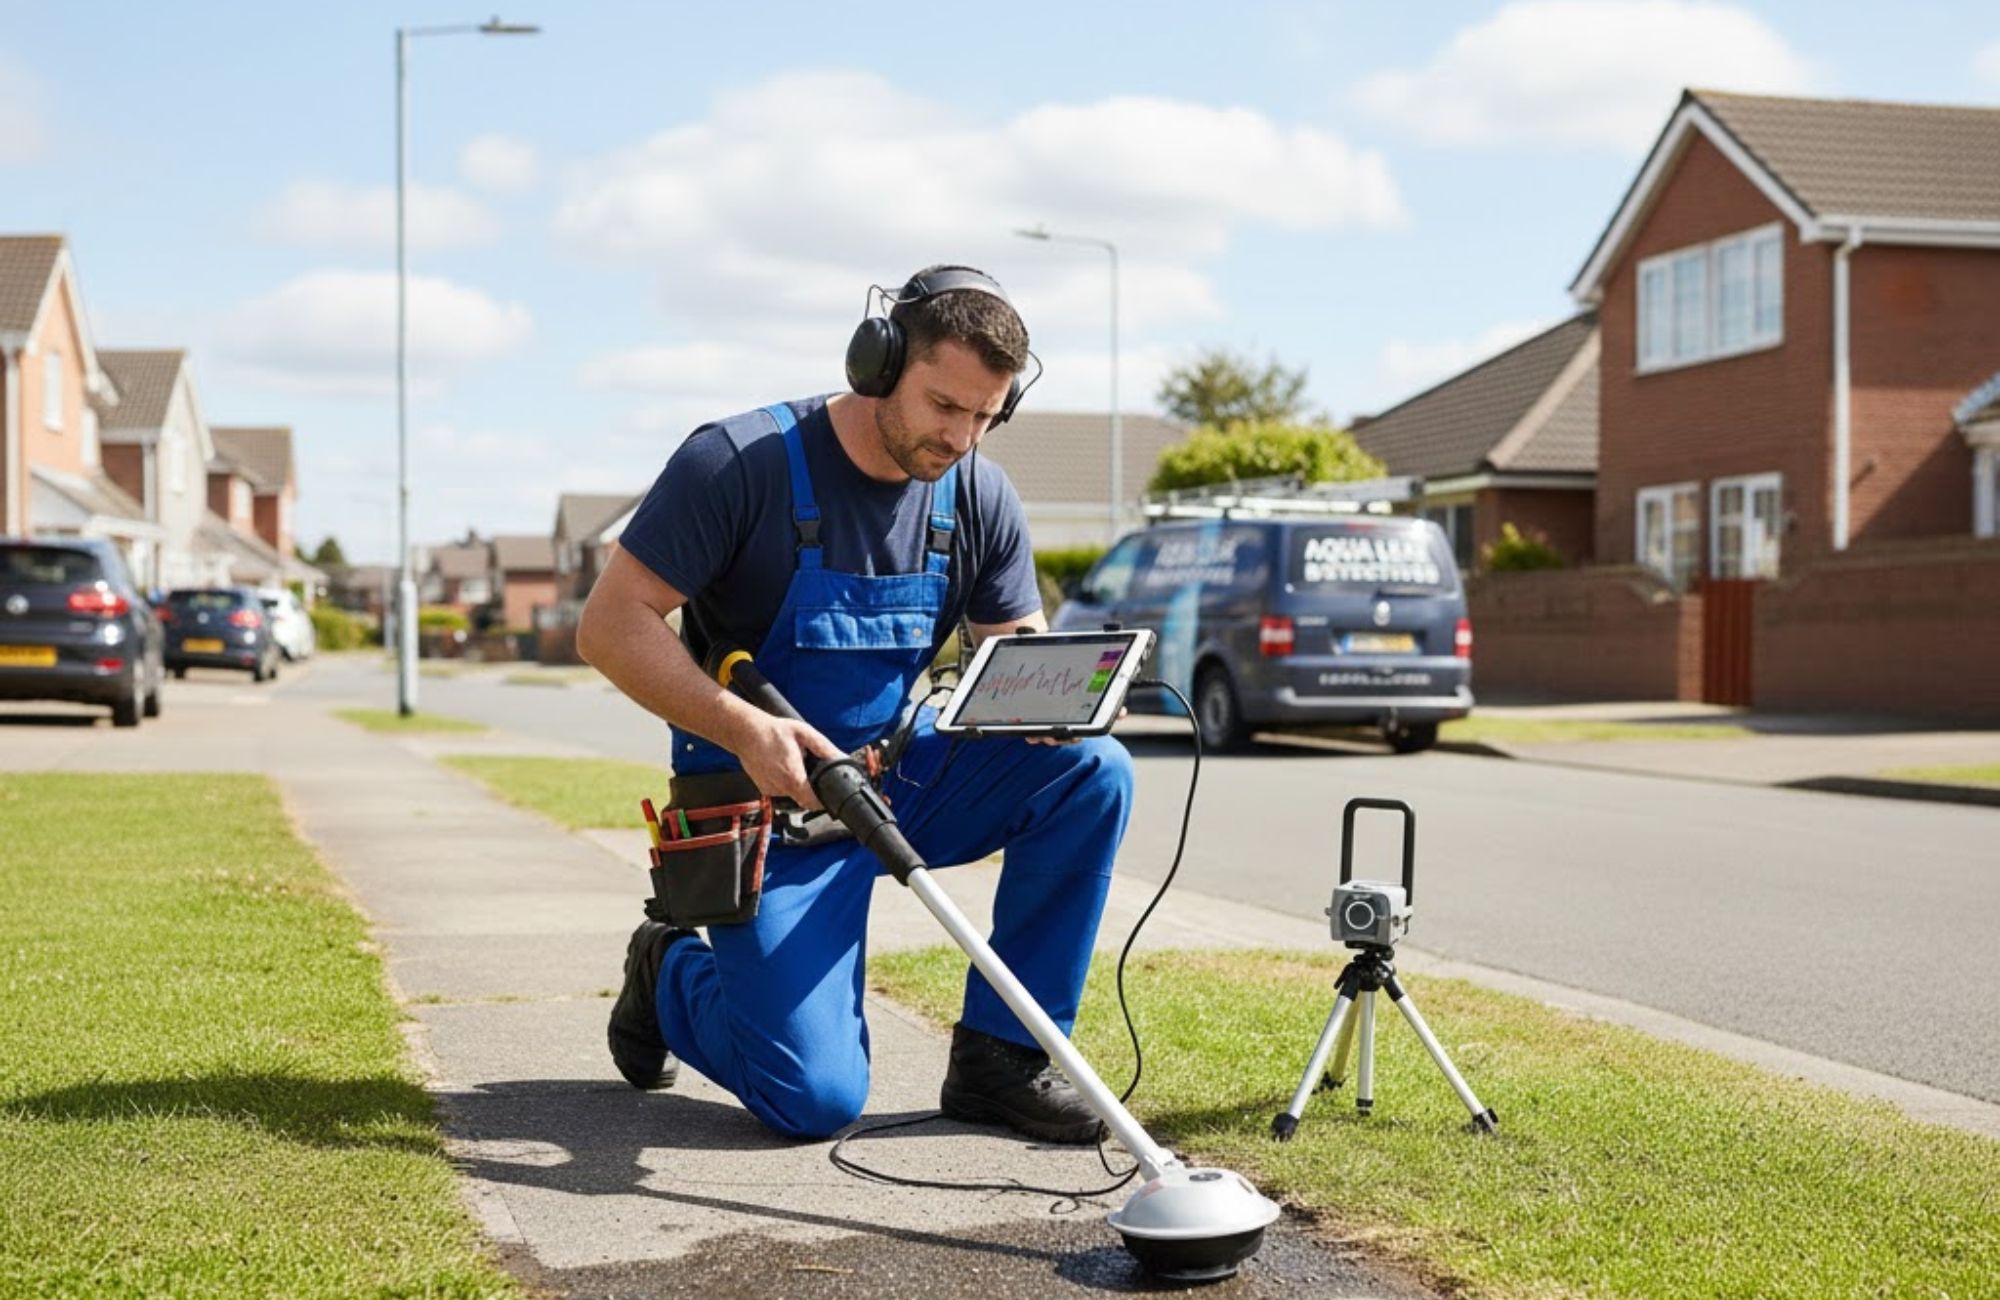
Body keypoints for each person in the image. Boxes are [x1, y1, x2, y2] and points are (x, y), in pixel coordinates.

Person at [577, 265, 1134, 1143]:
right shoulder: (738, 464)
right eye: (943, 406)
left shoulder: (978, 494)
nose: (960, 437)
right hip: (769, 811)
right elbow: (610, 626)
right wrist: (742, 727)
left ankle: (1002, 1061)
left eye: (985, 416)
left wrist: (1059, 698)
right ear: (879, 363)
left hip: (897, 782)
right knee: (814, 1101)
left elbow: (1013, 644)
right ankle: (669, 969)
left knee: (1091, 770)